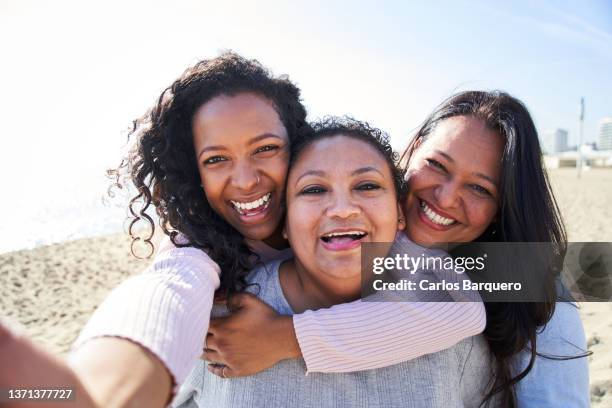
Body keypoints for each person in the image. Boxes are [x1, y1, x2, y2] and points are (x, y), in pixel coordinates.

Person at [68, 53, 485, 408]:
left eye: (266, 148)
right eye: (216, 159)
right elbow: (166, 296)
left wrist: (286, 338)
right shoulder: (201, 249)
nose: (247, 180)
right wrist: (103, 377)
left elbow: (466, 307)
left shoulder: (410, 249)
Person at [204, 91, 589, 407]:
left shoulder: (523, 280)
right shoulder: (339, 236)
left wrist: (285, 338)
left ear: (500, 208)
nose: (446, 197)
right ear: (412, 151)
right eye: (437, 165)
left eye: (479, 188)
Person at [173, 118, 495, 408]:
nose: (342, 209)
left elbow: (466, 309)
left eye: (367, 185)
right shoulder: (219, 322)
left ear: (399, 214)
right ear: (283, 223)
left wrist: (286, 337)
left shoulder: (455, 311)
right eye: (314, 189)